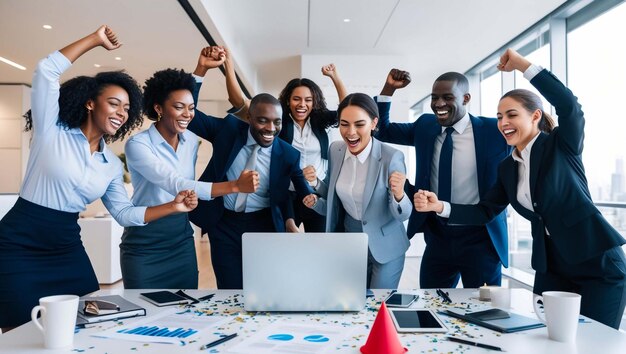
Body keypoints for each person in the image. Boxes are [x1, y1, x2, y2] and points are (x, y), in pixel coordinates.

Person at [0, 26, 197, 331]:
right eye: (114, 103)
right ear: (91, 103)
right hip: (17, 245)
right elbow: (46, 70)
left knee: (87, 323)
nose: (121, 112)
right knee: (20, 331)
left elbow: (125, 214)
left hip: (66, 247)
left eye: (127, 108)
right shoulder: (51, 132)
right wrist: (94, 40)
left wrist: (174, 206)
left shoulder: (110, 166)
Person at [414, 48, 626, 329]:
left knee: (595, 342)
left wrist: (524, 66)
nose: (503, 123)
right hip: (552, 268)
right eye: (499, 117)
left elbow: (570, 106)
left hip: (597, 263)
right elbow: (484, 211)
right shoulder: (507, 168)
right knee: (551, 340)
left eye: (511, 115)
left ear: (535, 116)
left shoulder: (560, 146)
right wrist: (438, 206)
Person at [186, 47, 315, 289]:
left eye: (277, 122)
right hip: (223, 223)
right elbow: (190, 115)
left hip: (264, 224)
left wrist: (308, 198)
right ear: (248, 118)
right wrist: (201, 70)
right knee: (229, 288)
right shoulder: (228, 131)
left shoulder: (288, 153)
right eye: (262, 120)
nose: (270, 128)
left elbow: (298, 190)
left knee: (263, 288)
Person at [121, 68, 259, 289]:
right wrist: (234, 186)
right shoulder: (138, 145)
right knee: (145, 311)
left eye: (191, 108)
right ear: (158, 108)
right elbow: (176, 184)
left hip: (181, 239)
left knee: (186, 310)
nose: (187, 113)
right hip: (145, 242)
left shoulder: (191, 140)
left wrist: (201, 70)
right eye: (178, 107)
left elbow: (238, 124)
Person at [375, 68, 511, 288]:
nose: (439, 104)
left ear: (466, 98)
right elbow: (382, 130)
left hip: (481, 238)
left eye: (448, 97)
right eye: (434, 97)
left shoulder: (493, 132)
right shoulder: (426, 126)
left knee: (484, 311)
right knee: (431, 305)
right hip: (438, 236)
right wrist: (389, 88)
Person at [223, 47, 347, 232]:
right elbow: (238, 101)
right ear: (288, 101)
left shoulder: (320, 123)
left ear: (314, 102)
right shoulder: (277, 123)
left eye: (308, 100)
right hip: (287, 195)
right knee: (286, 243)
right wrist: (229, 64)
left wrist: (335, 76)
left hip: (316, 194)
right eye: (296, 99)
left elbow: (346, 109)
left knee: (320, 244)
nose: (302, 104)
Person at [303, 93, 412, 289]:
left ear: (374, 123)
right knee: (351, 302)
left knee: (378, 306)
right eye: (344, 124)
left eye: (359, 124)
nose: (350, 132)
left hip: (386, 245)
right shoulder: (335, 150)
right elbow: (334, 194)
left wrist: (399, 194)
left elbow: (403, 214)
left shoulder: (391, 157)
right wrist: (316, 184)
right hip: (351, 241)